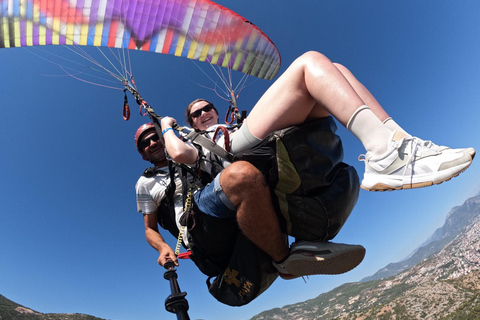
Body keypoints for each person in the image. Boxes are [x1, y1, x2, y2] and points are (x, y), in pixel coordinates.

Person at [181, 51, 475, 192]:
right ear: (193, 123)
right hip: (235, 151)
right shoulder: (196, 141)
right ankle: (384, 156)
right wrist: (167, 126)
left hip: (261, 142)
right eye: (197, 113)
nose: (204, 112)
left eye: (207, 107)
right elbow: (182, 155)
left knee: (336, 71)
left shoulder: (229, 122)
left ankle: (397, 142)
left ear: (216, 110)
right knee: (309, 63)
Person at [135, 122, 366, 281]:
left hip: (224, 204)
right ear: (143, 154)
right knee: (241, 176)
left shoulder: (189, 151)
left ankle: (308, 239)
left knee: (263, 169)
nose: (153, 142)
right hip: (198, 228)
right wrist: (163, 246)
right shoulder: (145, 184)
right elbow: (149, 228)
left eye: (156, 137)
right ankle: (284, 261)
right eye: (146, 142)